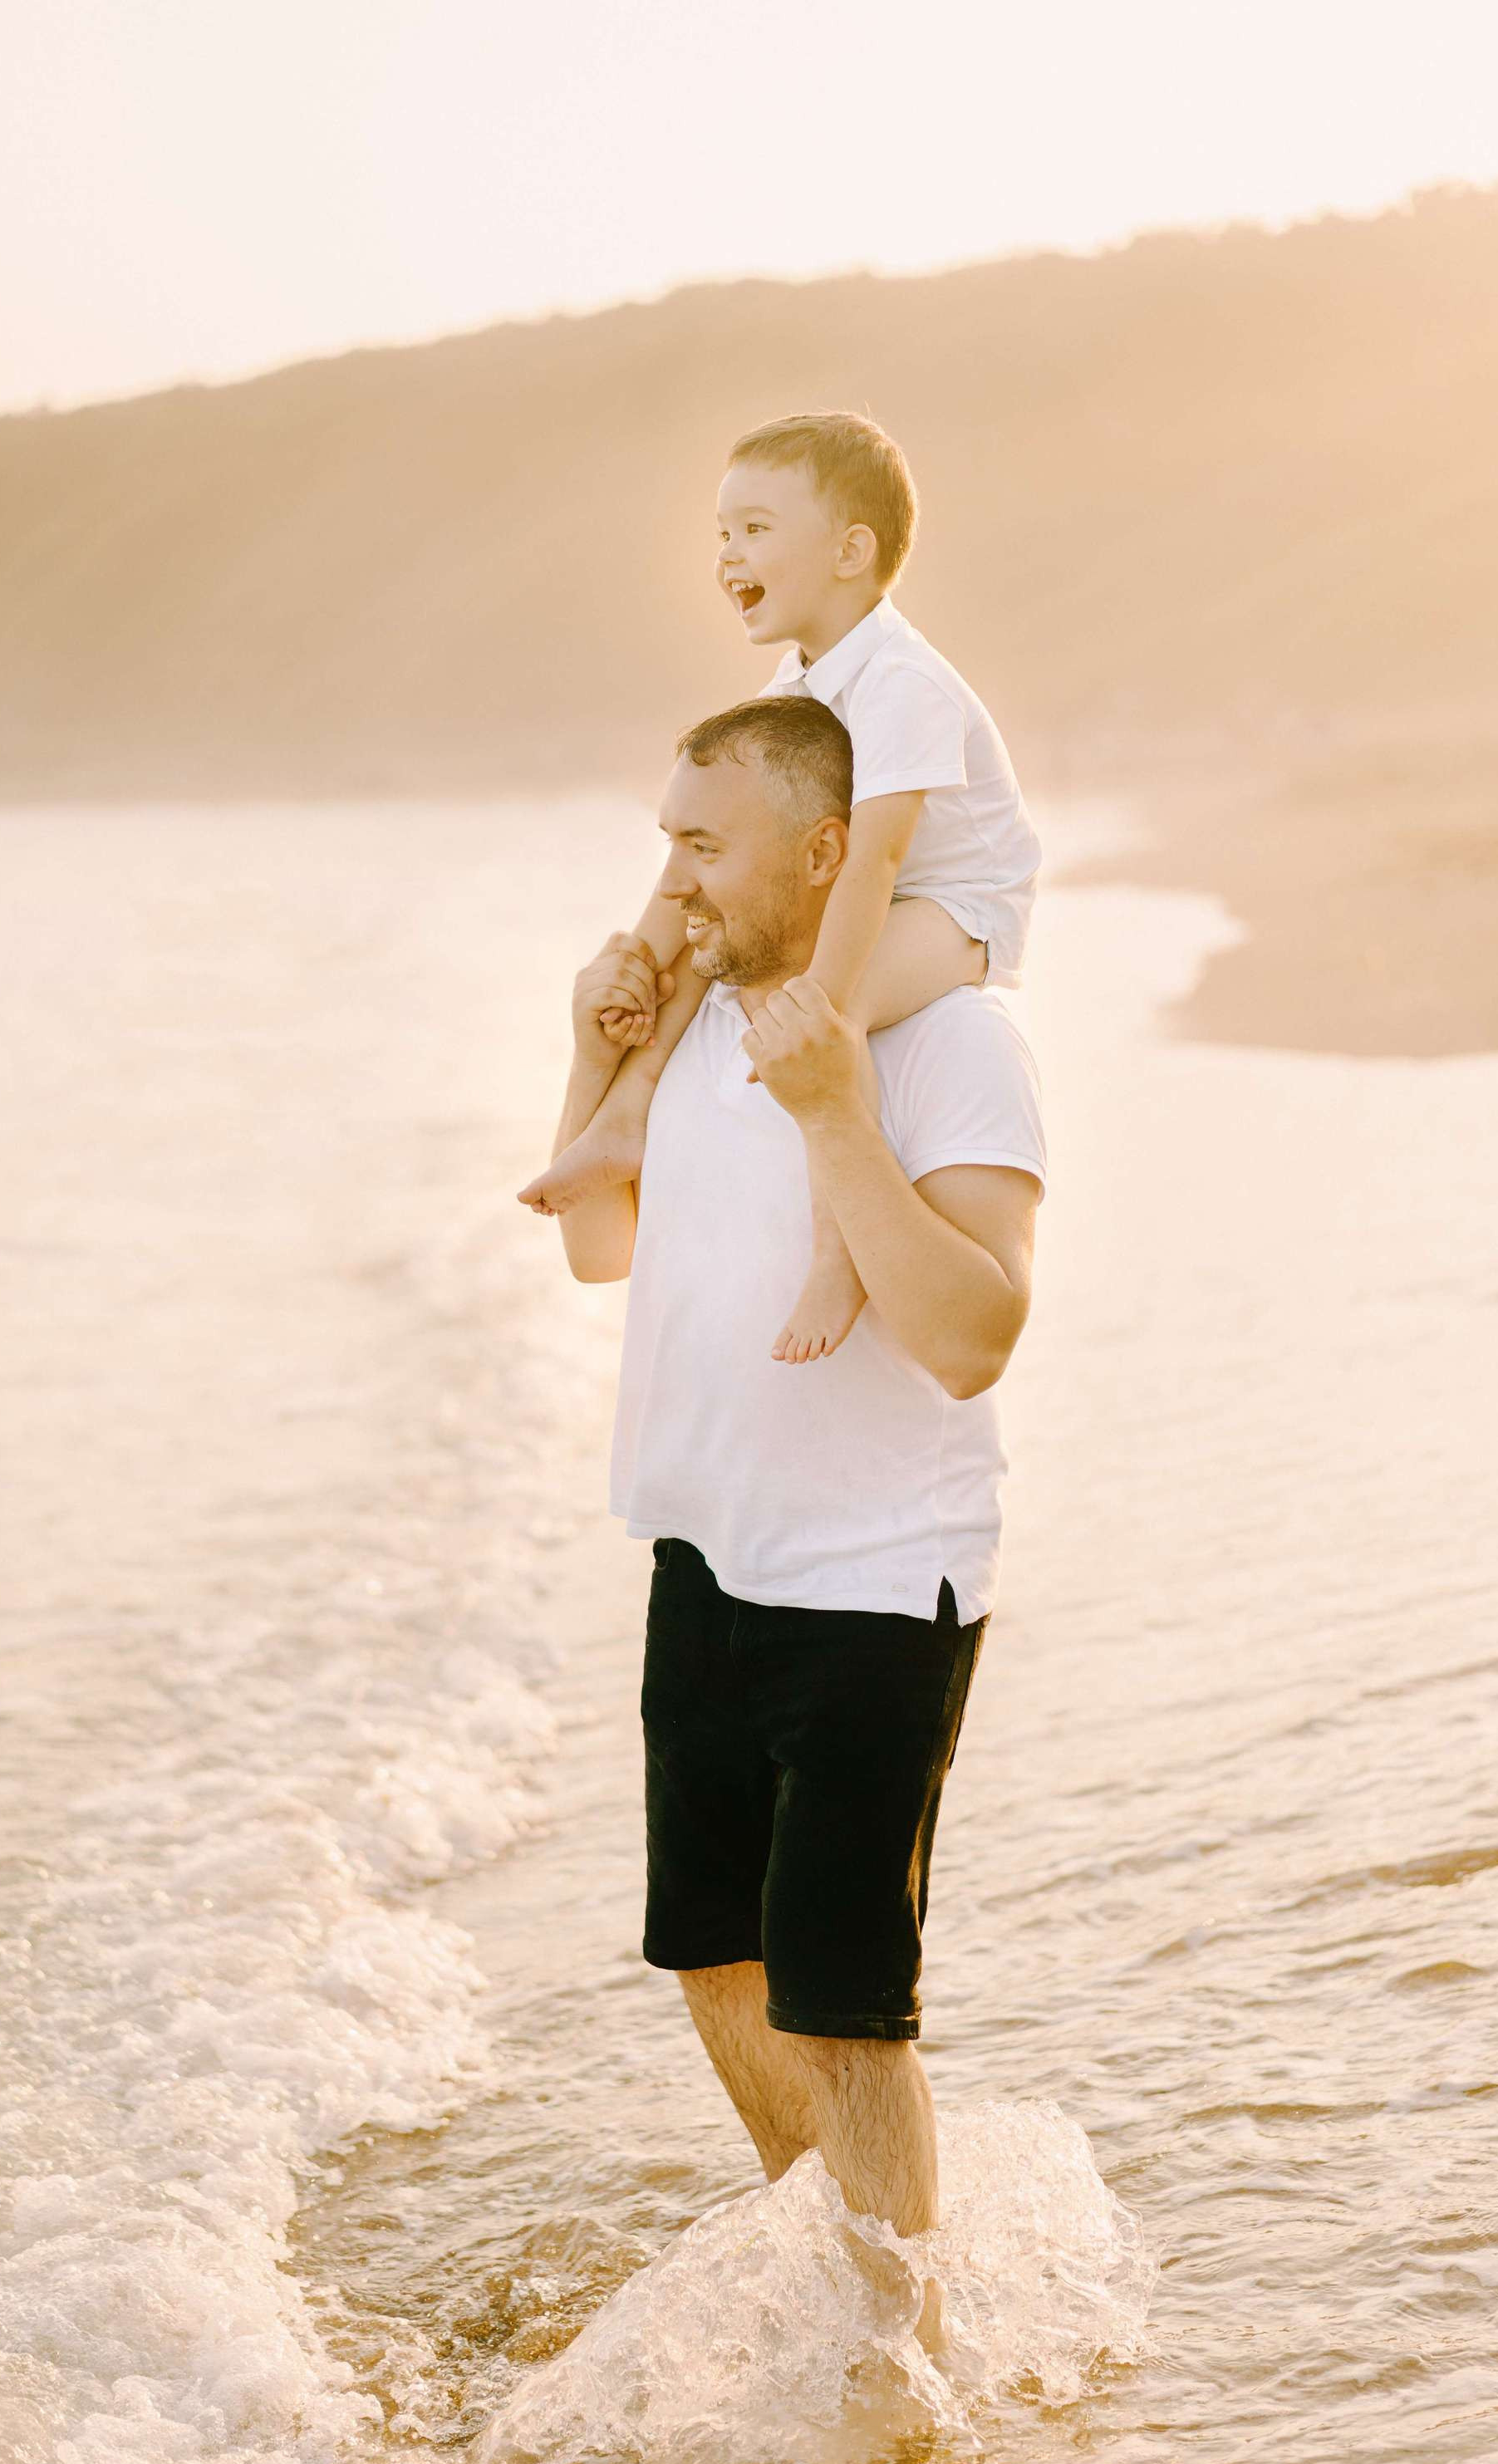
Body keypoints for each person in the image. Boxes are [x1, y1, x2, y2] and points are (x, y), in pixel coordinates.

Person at [522, 693, 1045, 2353]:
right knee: (713, 1961)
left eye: (700, 839)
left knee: (843, 2006)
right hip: (707, 1553)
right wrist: (597, 1054)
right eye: (666, 833)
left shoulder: (952, 1039)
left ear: (826, 853)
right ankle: (838, 2265)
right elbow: (598, 1247)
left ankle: (906, 2369)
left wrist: (832, 1108)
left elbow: (972, 1333)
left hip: (879, 1575)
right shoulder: (695, 1019)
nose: (668, 873)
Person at [518, 409, 1042, 1368]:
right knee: (708, 969)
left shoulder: (901, 683)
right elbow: (698, 856)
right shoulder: (793, 688)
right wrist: (643, 962)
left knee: (822, 1039)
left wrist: (817, 1007)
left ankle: (837, 1252)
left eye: (755, 529)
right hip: (882, 896)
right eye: (721, 533)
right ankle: (628, 1118)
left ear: (851, 550)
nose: (727, 555)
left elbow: (876, 861)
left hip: (957, 908)